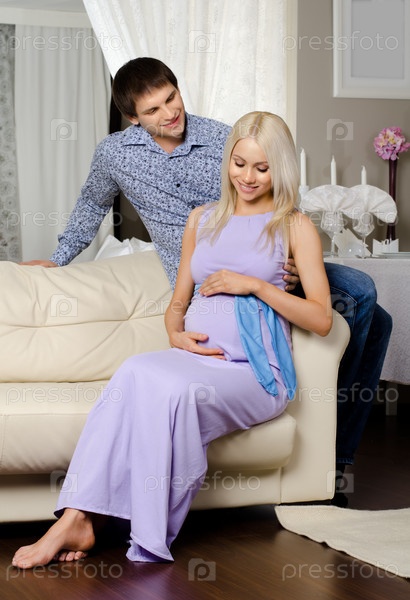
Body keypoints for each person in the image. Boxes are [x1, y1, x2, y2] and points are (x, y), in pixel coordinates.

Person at [22, 57, 392, 504]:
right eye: (153, 110)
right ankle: (335, 459)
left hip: (261, 264)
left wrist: (290, 257)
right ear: (133, 119)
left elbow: (269, 186)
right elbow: (91, 205)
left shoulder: (222, 138)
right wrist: (58, 258)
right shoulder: (115, 155)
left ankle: (335, 458)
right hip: (204, 275)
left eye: (172, 98)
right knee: (372, 310)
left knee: (368, 306)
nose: (170, 113)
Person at [13, 111, 332, 568]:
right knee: (133, 372)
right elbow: (178, 301)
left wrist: (255, 286)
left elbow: (321, 319)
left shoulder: (293, 225)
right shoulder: (202, 219)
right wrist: (175, 335)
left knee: (174, 392)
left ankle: (137, 529)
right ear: (228, 160)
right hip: (196, 359)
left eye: (262, 168)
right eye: (239, 163)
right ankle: (77, 517)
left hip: (255, 372)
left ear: (280, 169)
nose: (248, 177)